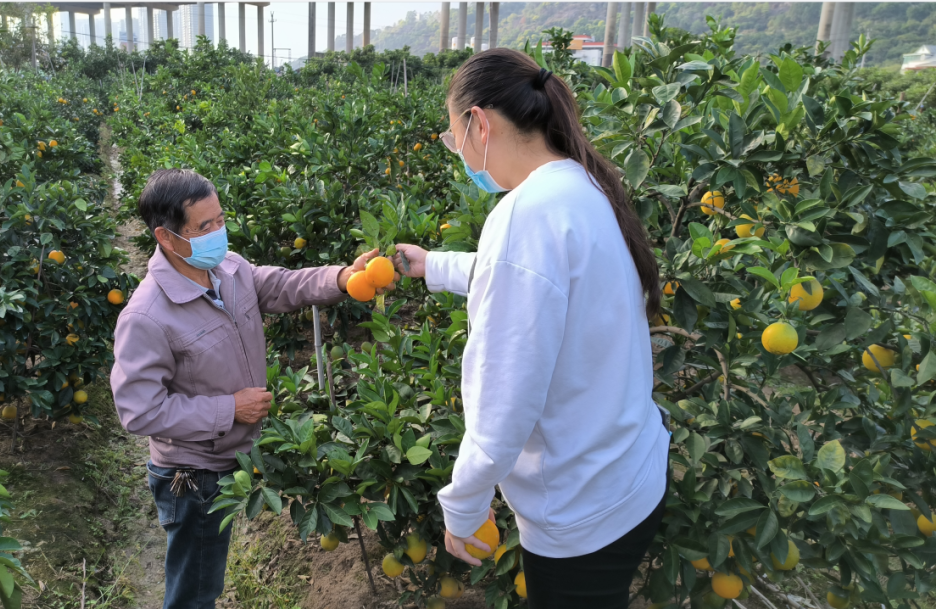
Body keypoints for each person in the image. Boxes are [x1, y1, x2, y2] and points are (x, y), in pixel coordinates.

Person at [394, 48, 670, 608]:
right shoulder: (580, 185)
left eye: (454, 138)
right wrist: (435, 264)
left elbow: (504, 401)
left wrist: (464, 505)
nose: (461, 155)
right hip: (630, 474)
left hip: (582, 511)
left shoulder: (524, 216)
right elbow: (537, 282)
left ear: (478, 123)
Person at [110, 168, 389, 609]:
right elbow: (139, 411)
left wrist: (340, 279)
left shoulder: (229, 268)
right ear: (166, 237)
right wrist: (228, 409)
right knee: (195, 590)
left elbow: (279, 285)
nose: (218, 233)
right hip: (193, 471)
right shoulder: (146, 316)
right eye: (204, 227)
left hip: (236, 454)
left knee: (204, 577)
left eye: (220, 220)